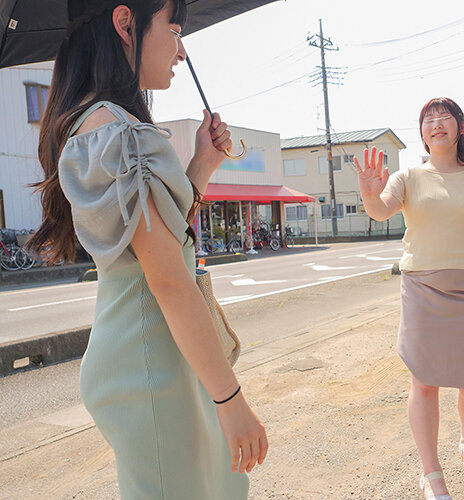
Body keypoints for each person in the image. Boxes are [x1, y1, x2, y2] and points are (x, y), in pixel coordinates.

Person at [28, 1, 267, 497]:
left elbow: (161, 245)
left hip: (151, 358)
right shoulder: (117, 130)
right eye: (174, 29)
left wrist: (202, 164)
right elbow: (168, 280)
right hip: (152, 368)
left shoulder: (95, 123)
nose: (181, 51)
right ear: (125, 23)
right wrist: (232, 400)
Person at [355, 97, 464, 499]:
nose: (436, 123)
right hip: (422, 289)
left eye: (444, 116)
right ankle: (431, 475)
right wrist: (369, 193)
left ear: (460, 126)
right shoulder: (407, 176)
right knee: (424, 382)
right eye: (428, 118)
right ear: (423, 132)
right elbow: (379, 211)